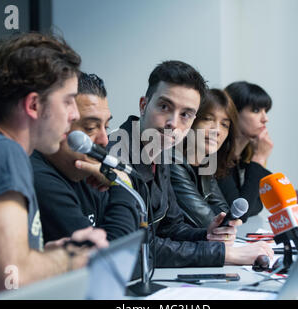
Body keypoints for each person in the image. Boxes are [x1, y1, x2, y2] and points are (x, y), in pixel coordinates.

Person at [0, 32, 108, 299]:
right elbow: (9, 275)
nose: (74, 114)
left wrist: (49, 254)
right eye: (67, 101)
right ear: (33, 104)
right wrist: (73, 257)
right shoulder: (2, 154)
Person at [106, 60, 273, 269]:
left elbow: (171, 227)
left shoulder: (161, 152)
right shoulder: (117, 153)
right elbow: (135, 247)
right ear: (143, 105)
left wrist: (207, 235)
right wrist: (222, 254)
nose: (173, 123)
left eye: (185, 114)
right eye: (164, 106)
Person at [31, 72, 140, 243]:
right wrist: (122, 185)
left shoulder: (88, 170)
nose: (105, 140)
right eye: (90, 128)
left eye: (106, 126)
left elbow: (138, 250)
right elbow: (110, 260)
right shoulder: (38, 178)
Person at [170, 88, 239, 228]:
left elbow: (225, 215)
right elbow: (209, 222)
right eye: (208, 119)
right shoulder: (172, 160)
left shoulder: (205, 163)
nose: (217, 130)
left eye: (224, 124)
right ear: (190, 121)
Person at [217, 81, 273, 222]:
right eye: (256, 110)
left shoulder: (243, 157)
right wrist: (259, 158)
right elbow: (239, 214)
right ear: (233, 113)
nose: (265, 118)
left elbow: (258, 204)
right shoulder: (216, 157)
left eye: (265, 111)